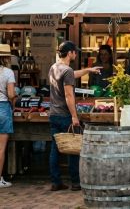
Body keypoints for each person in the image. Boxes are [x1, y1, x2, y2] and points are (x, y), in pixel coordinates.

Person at [48, 41, 101, 191]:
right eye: (75, 52)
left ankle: (55, 181)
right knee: (73, 148)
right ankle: (76, 182)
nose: (76, 54)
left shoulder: (54, 67)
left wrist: (89, 70)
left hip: (53, 115)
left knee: (55, 148)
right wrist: (74, 116)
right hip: (65, 115)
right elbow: (69, 95)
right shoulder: (67, 70)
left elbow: (73, 74)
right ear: (70, 53)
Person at [0, 44, 17, 188]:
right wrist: (14, 100)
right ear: (5, 57)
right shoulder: (8, 72)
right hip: (3, 108)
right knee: (1, 148)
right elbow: (11, 94)